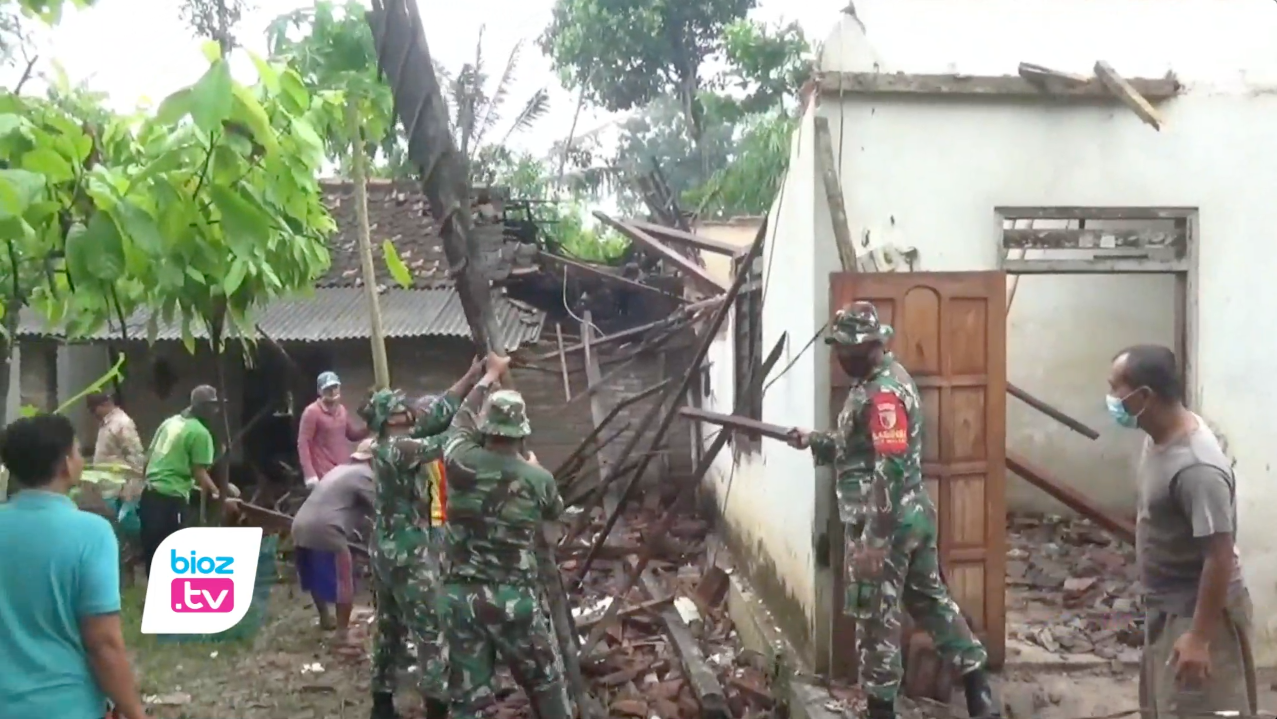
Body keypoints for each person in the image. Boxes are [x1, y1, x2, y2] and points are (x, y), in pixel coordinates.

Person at [786, 302, 999, 719]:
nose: (841, 357)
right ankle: (979, 692)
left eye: (848, 350)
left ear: (872, 345)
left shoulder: (883, 394)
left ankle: (881, 709)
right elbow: (858, 448)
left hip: (886, 522)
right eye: (839, 349)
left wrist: (874, 540)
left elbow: (891, 465)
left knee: (875, 620)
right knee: (932, 604)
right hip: (911, 516)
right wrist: (814, 440)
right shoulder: (881, 380)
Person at [1107, 345, 1256, 718]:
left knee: (1199, 709)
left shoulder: (1196, 467)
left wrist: (1200, 638)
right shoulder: (1159, 436)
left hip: (1198, 616)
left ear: (1144, 396)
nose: (1110, 399)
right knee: (1165, 707)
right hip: (1166, 609)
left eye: (1115, 389)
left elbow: (1219, 556)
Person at [439, 354, 571, 719]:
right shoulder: (538, 480)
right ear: (522, 433)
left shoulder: (459, 459)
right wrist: (534, 469)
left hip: (461, 598)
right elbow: (554, 514)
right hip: (513, 600)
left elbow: (460, 420)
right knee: (544, 682)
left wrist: (488, 376)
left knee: (467, 697)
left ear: (486, 430)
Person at [0, 413, 149, 719]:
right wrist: (134, 711)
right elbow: (103, 643)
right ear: (66, 464)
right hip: (66, 706)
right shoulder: (91, 534)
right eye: (78, 451)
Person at [363, 359, 486, 719]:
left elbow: (439, 414)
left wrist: (472, 376)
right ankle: (436, 705)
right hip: (408, 554)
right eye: (401, 408)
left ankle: (382, 702)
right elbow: (450, 438)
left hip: (385, 550)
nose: (409, 410)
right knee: (430, 630)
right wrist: (485, 387)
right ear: (391, 419)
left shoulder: (390, 443)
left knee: (389, 627)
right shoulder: (399, 449)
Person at [291, 438, 378, 641]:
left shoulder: (339, 470)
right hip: (327, 529)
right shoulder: (365, 475)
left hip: (300, 525)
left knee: (313, 573)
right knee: (343, 579)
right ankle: (342, 632)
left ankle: (325, 618)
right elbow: (380, 507)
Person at [138, 385, 222, 576]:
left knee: (153, 550)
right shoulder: (200, 433)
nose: (216, 411)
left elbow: (148, 457)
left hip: (149, 494)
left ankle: (153, 590)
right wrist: (217, 492)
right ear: (203, 407)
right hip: (170, 497)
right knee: (172, 550)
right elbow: (199, 472)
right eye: (213, 406)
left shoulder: (170, 422)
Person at [298, 371, 369, 488]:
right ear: (320, 391)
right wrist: (310, 474)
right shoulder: (312, 412)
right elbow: (303, 443)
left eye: (335, 387)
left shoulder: (341, 410)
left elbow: (352, 435)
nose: (332, 391)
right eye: (327, 389)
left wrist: (370, 426)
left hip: (343, 468)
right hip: (323, 471)